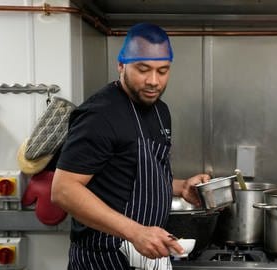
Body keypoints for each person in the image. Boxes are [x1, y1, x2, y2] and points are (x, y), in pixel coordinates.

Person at [51, 23, 210, 269]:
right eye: (143, 69)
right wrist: (135, 232)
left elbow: (131, 177)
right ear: (121, 65)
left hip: (144, 257)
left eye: (163, 70)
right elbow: (63, 190)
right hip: (102, 258)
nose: (153, 81)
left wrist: (180, 187)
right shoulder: (99, 115)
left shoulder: (160, 112)